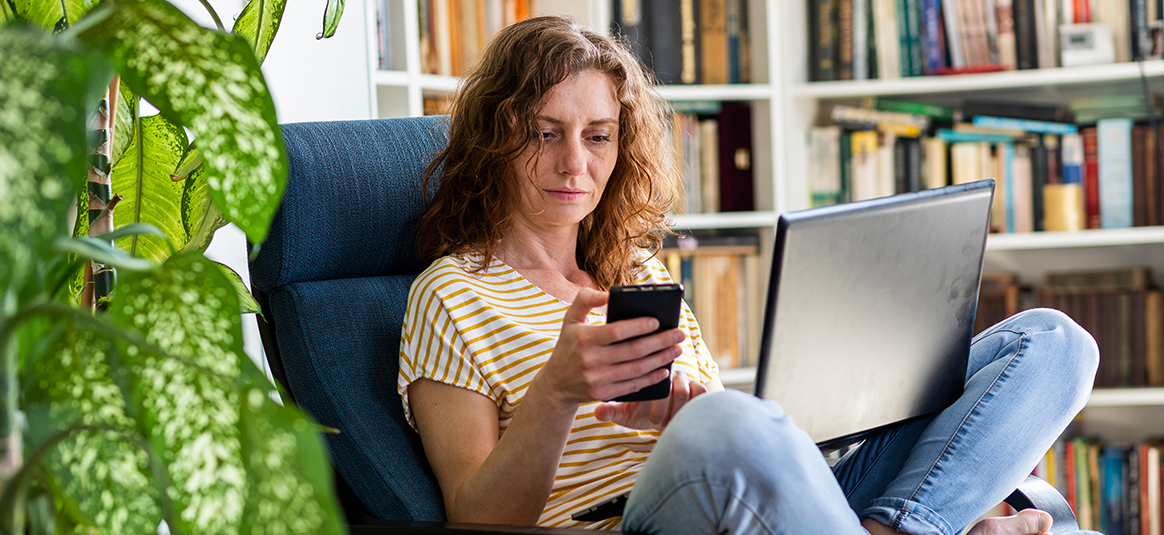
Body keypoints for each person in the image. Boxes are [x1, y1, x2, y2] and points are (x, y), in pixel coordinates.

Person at [397, 15, 1101, 535]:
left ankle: (897, 529)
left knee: (1052, 343)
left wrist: (694, 405)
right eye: (544, 132)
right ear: (496, 135)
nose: (574, 163)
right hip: (633, 518)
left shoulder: (638, 270)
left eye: (597, 135)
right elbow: (475, 516)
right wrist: (555, 393)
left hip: (771, 498)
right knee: (728, 430)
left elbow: (734, 437)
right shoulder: (451, 294)